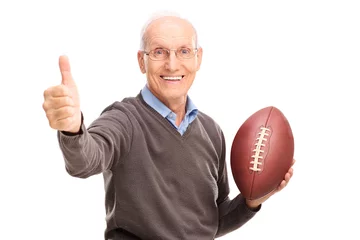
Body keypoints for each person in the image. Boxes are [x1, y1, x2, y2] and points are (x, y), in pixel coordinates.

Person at [42, 11, 294, 240]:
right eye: (159, 52)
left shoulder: (211, 132)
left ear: (198, 58)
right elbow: (85, 161)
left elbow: (212, 221)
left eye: (184, 51)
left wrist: (252, 201)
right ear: (142, 61)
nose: (172, 64)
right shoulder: (124, 119)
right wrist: (73, 129)